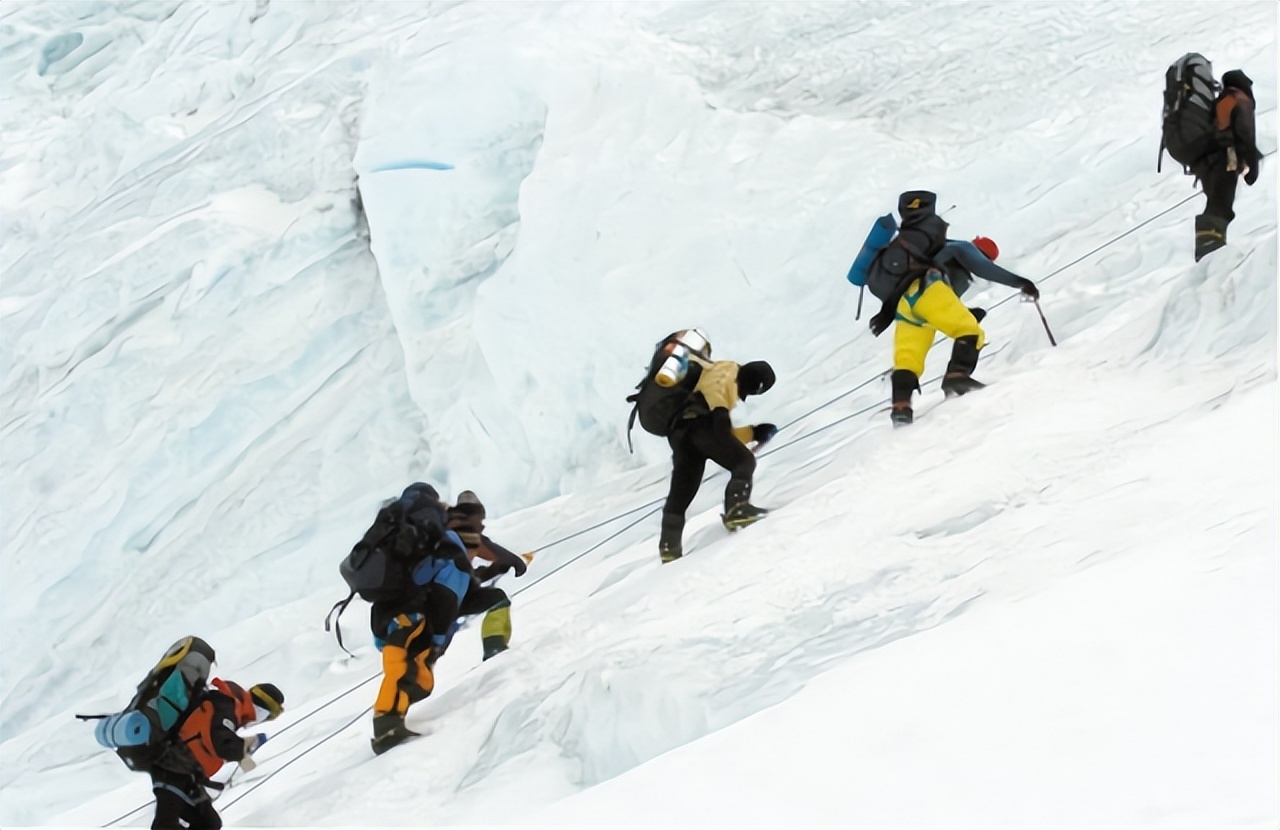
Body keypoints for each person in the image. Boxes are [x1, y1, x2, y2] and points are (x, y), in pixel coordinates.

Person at [865, 191, 1038, 426]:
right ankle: (957, 377)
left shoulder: (935, 251)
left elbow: (942, 308)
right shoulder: (963, 249)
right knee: (970, 333)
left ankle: (901, 408)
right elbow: (968, 281)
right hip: (928, 289)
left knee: (908, 358)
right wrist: (1022, 283)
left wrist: (967, 313)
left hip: (904, 305)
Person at [368, 482, 473, 754]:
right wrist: (439, 637)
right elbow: (449, 592)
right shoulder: (443, 542)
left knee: (418, 677)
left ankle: (391, 719)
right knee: (405, 667)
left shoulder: (392, 534)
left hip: (385, 613)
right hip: (414, 611)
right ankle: (387, 724)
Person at [658, 358, 777, 563]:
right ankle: (736, 509)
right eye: (755, 391)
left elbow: (721, 437)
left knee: (682, 492)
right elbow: (717, 418)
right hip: (700, 425)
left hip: (682, 434)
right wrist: (723, 418)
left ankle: (669, 548)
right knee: (744, 462)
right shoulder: (727, 371)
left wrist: (753, 432)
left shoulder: (726, 375)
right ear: (754, 384)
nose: (746, 397)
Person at [150, 679, 284, 830]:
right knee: (169, 823)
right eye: (268, 716)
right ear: (262, 711)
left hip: (182, 770)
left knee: (208, 823)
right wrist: (245, 747)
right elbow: (220, 742)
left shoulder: (229, 704)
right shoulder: (227, 705)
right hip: (173, 767)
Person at [445, 490, 531, 661]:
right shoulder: (467, 533)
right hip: (448, 600)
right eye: (480, 519)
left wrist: (492, 571)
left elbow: (457, 574)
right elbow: (504, 557)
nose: (482, 525)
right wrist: (513, 563)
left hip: (426, 601)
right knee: (498, 599)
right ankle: (494, 647)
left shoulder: (442, 532)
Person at [1191, 69, 1260, 261]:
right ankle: (1213, 256)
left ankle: (1208, 254)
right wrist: (1253, 167)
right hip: (1225, 160)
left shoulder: (1221, 101)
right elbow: (1244, 134)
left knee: (1216, 204)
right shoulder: (1239, 99)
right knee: (1221, 205)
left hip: (1208, 163)